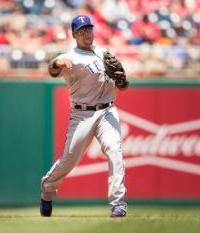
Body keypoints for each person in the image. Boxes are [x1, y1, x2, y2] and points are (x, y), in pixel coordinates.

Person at [39, 15, 128, 218]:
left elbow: (122, 82)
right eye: (81, 31)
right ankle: (47, 188)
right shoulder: (71, 57)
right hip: (82, 114)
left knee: (115, 150)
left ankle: (118, 204)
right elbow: (53, 68)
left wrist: (123, 80)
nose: (86, 34)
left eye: (89, 29)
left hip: (107, 111)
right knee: (68, 161)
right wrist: (57, 62)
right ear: (74, 35)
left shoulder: (104, 52)